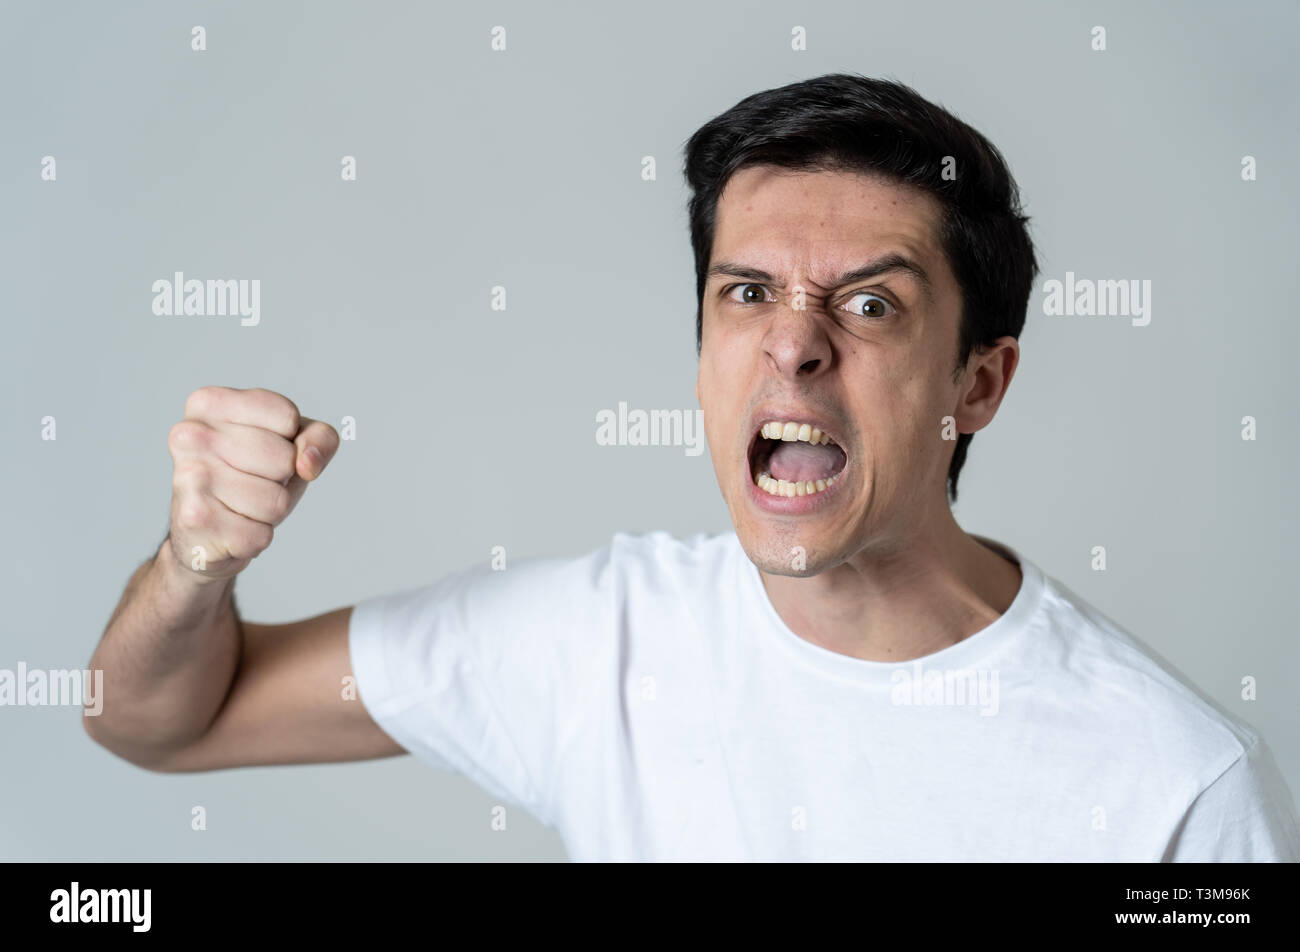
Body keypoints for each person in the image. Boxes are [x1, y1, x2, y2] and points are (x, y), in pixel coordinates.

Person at [85, 73, 1300, 861]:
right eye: (748, 293)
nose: (793, 343)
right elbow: (152, 722)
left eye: (870, 304)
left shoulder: (1173, 785)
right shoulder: (598, 643)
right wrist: (194, 565)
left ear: (976, 382)